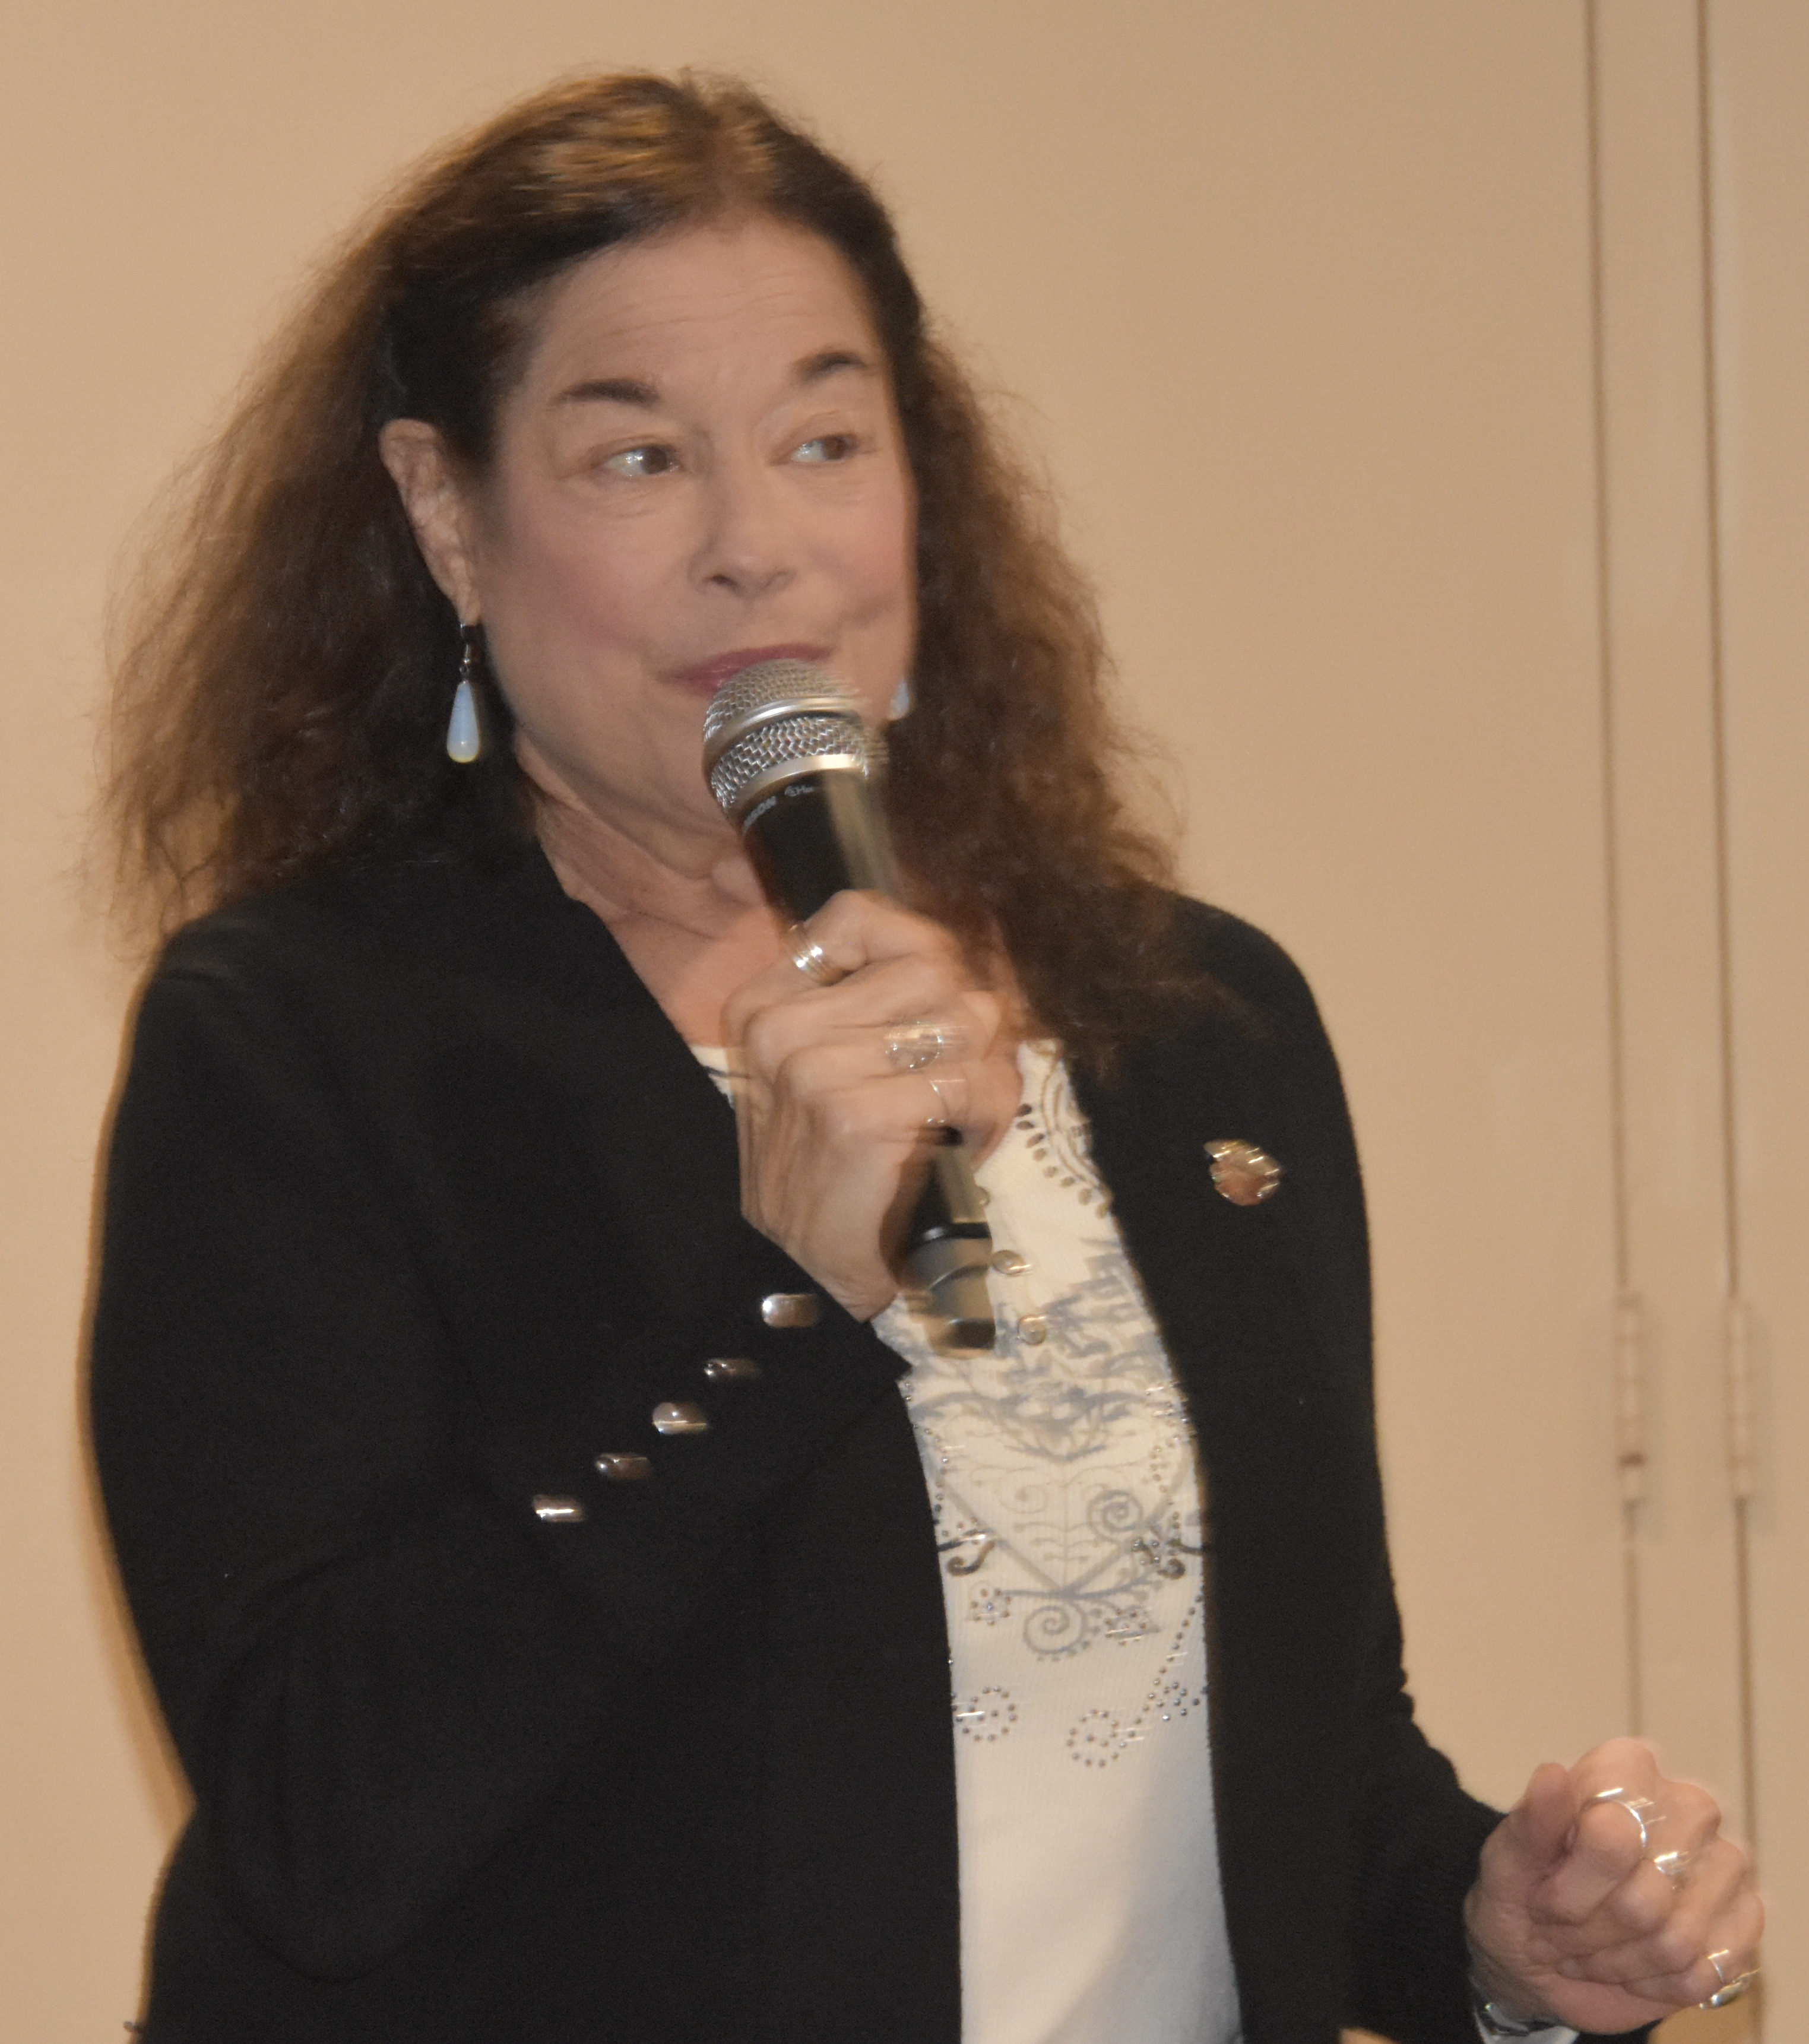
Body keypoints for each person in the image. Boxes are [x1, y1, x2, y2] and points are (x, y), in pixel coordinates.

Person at [91, 71, 1759, 2044]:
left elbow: (1304, 1763)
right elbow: (320, 1820)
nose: (758, 544)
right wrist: (783, 1297)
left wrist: (1503, 1938)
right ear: (449, 513)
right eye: (638, 458)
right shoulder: (302, 1043)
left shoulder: (1195, 1026)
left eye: (825, 440)